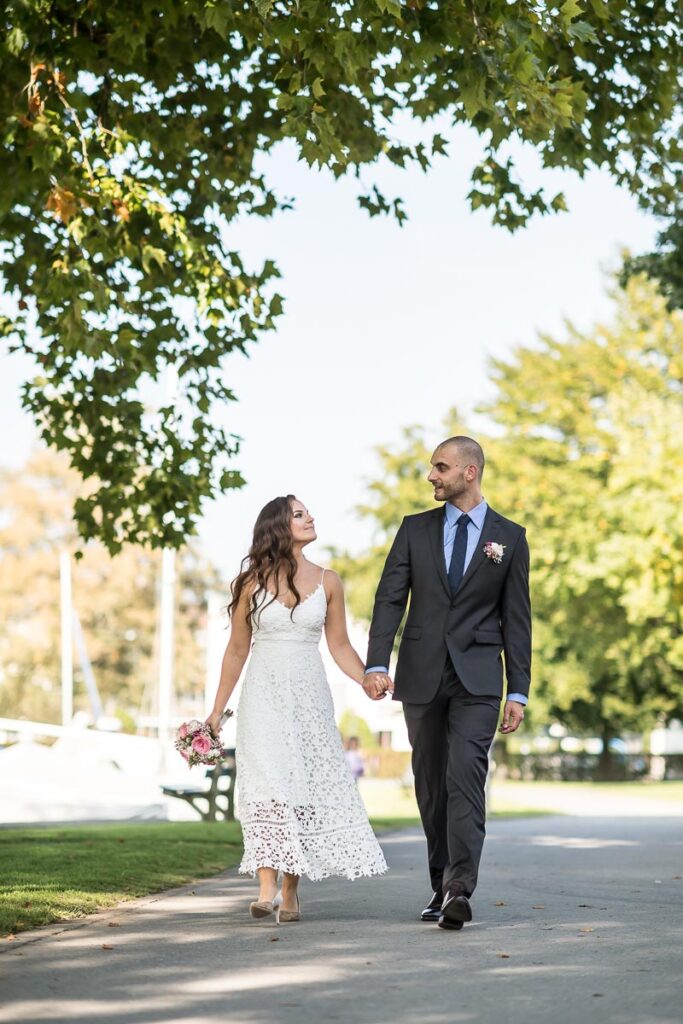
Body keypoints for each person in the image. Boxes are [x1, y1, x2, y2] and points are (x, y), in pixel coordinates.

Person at [362, 436, 531, 931]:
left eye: (441, 467)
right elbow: (389, 598)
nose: (432, 476)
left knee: (465, 777)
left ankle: (460, 888)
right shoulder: (414, 530)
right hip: (421, 673)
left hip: (479, 677)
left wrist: (518, 690)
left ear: (469, 471)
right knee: (432, 786)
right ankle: (439, 884)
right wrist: (377, 662)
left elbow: (517, 619)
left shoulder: (510, 537)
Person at [206, 495, 387, 924]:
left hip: (309, 697)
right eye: (300, 514)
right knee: (267, 786)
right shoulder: (250, 583)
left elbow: (339, 645)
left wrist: (366, 678)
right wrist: (216, 711)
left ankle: (291, 890)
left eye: (308, 513)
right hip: (262, 697)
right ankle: (266, 886)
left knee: (301, 787)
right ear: (279, 527)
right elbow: (236, 651)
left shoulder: (329, 581)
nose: (311, 518)